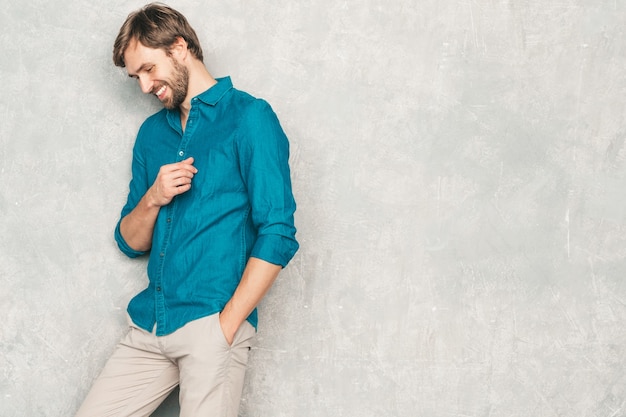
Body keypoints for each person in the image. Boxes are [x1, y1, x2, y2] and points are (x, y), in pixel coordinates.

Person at [75, 3, 299, 416]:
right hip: (151, 324)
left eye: (147, 69)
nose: (144, 87)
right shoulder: (150, 136)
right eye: (135, 77)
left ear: (179, 47)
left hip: (211, 324)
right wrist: (154, 197)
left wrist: (226, 327)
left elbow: (279, 232)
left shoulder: (250, 118)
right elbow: (130, 241)